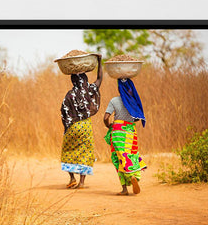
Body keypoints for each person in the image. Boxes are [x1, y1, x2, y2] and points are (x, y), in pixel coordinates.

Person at [60, 55, 102, 188]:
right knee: (85, 152)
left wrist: (67, 127)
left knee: (68, 151)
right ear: (85, 79)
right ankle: (82, 182)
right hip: (85, 126)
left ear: (73, 81)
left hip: (72, 127)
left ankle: (72, 178)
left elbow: (63, 111)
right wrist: (100, 61)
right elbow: (100, 78)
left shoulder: (69, 94)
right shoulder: (89, 90)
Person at [104, 77, 147, 195]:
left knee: (118, 158)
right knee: (131, 155)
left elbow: (106, 118)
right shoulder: (133, 101)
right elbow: (138, 117)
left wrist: (109, 126)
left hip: (117, 132)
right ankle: (134, 176)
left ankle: (124, 189)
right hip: (130, 132)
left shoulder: (114, 101)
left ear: (119, 88)